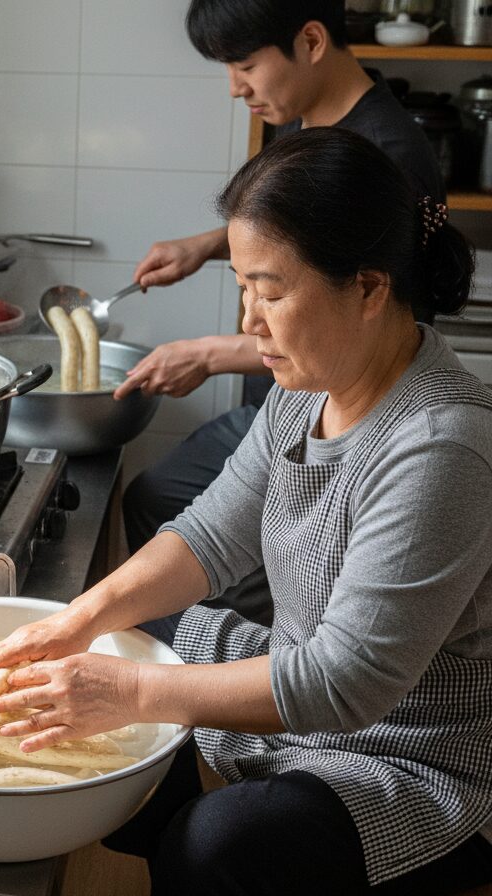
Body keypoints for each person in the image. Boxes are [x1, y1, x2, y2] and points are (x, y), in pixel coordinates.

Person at [0, 128, 491, 896]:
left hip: (424, 762)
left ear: (368, 288)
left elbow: (345, 682)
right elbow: (211, 535)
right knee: (107, 670)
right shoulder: (306, 381)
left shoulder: (442, 445)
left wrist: (127, 689)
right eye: (244, 286)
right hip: (312, 697)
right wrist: (80, 620)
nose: (249, 323)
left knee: (219, 841)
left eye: (271, 291)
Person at [118, 0, 445, 625]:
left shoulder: (386, 154)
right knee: (167, 506)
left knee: (253, 575)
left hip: (344, 411)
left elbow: (393, 324)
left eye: (245, 64)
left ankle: (258, 663)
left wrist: (211, 354)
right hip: (288, 399)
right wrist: (209, 246)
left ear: (313, 40)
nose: (236, 87)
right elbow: (297, 233)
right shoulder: (308, 117)